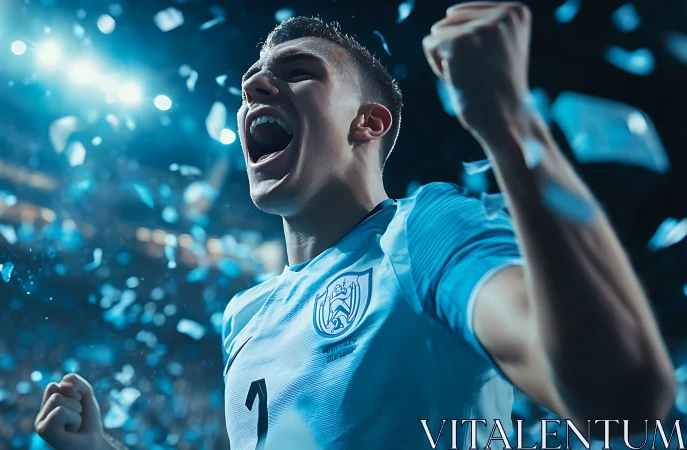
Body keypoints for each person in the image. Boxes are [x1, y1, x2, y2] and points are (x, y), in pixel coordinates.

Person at [35, 3, 676, 449]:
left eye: (296, 72)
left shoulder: (423, 234)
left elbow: (616, 400)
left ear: (368, 123)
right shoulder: (244, 315)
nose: (256, 87)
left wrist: (509, 124)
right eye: (252, 82)